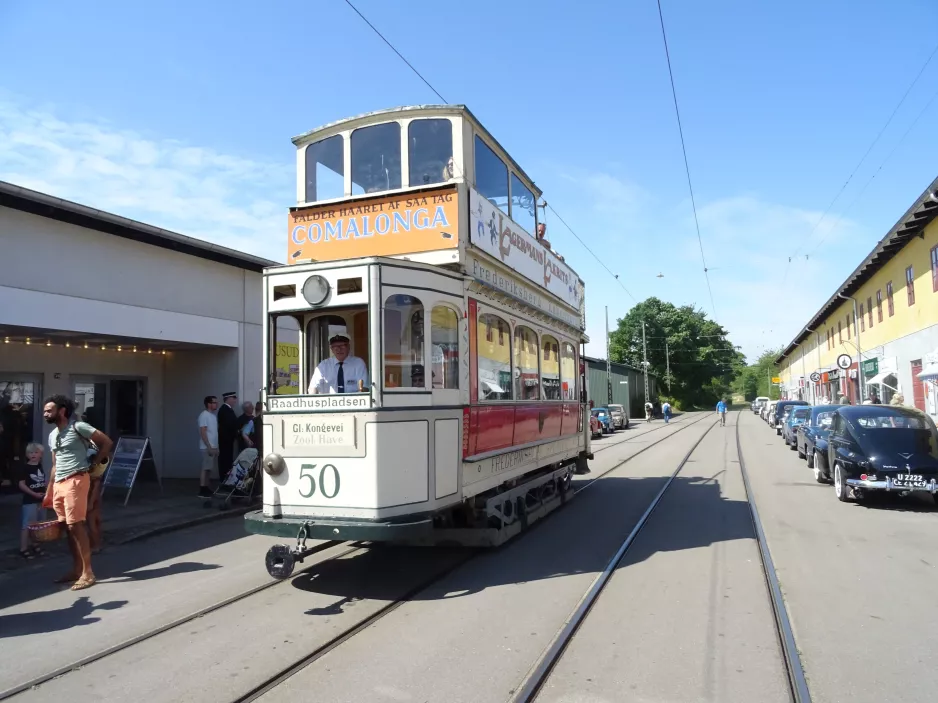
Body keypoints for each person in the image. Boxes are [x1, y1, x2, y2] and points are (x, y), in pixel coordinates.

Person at [41, 395, 112, 590]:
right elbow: (55, 465)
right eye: (45, 410)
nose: (45, 413)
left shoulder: (79, 427)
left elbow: (106, 442)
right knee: (66, 527)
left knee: (76, 526)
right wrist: (49, 490)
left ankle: (88, 573)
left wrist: (94, 464)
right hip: (59, 484)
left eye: (49, 410)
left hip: (76, 480)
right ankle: (77, 569)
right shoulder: (53, 435)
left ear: (62, 411)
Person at [17, 442, 46, 559]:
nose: (33, 454)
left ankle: (35, 544)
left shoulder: (39, 466)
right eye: (30, 452)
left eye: (36, 452)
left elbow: (42, 482)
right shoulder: (25, 468)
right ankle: (23, 548)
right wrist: (34, 494)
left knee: (37, 524)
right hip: (29, 500)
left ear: (41, 454)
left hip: (40, 499)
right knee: (27, 524)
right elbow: (21, 484)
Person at [198, 395, 219, 498]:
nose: (216, 404)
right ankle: (202, 489)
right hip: (207, 447)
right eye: (214, 402)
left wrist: (216, 447)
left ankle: (206, 487)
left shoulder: (213, 416)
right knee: (205, 468)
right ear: (209, 404)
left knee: (209, 468)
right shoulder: (204, 415)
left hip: (213, 446)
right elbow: (203, 432)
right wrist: (209, 446)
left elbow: (214, 433)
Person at [217, 392, 239, 482]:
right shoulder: (224, 410)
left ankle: (227, 480)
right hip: (225, 440)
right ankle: (225, 480)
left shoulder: (227, 409)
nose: (235, 400)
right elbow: (229, 424)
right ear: (228, 398)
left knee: (228, 459)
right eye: (233, 398)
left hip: (228, 440)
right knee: (225, 460)